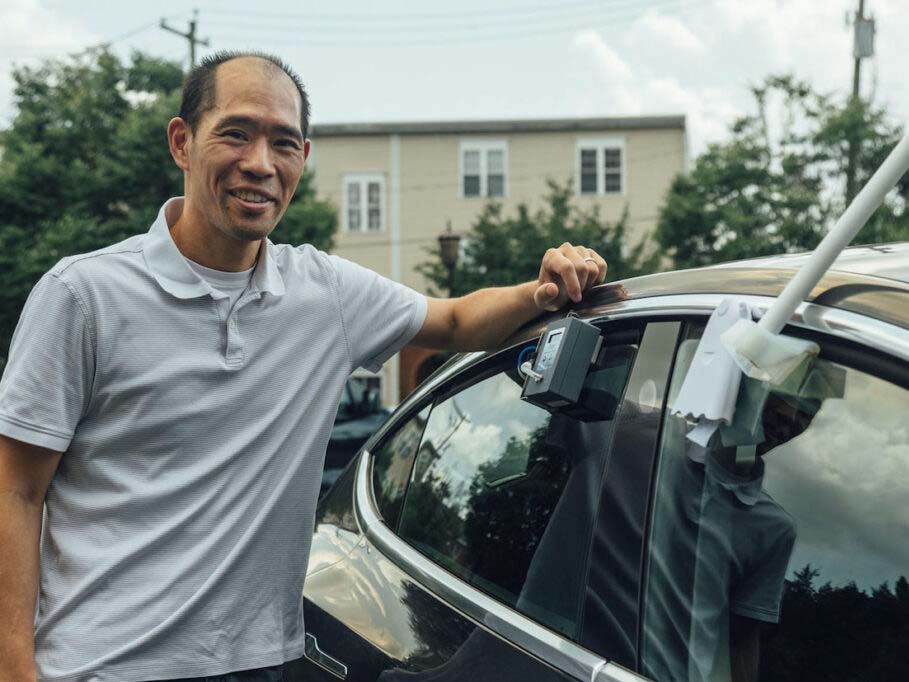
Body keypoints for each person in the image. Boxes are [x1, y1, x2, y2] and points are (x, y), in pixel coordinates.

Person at [0, 51, 608, 682]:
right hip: (102, 666)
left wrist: (541, 289)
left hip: (264, 662)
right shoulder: (83, 296)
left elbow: (454, 321)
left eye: (283, 143)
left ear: (302, 159)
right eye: (235, 133)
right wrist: (14, 668)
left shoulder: (326, 295)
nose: (260, 164)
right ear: (182, 142)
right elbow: (15, 490)